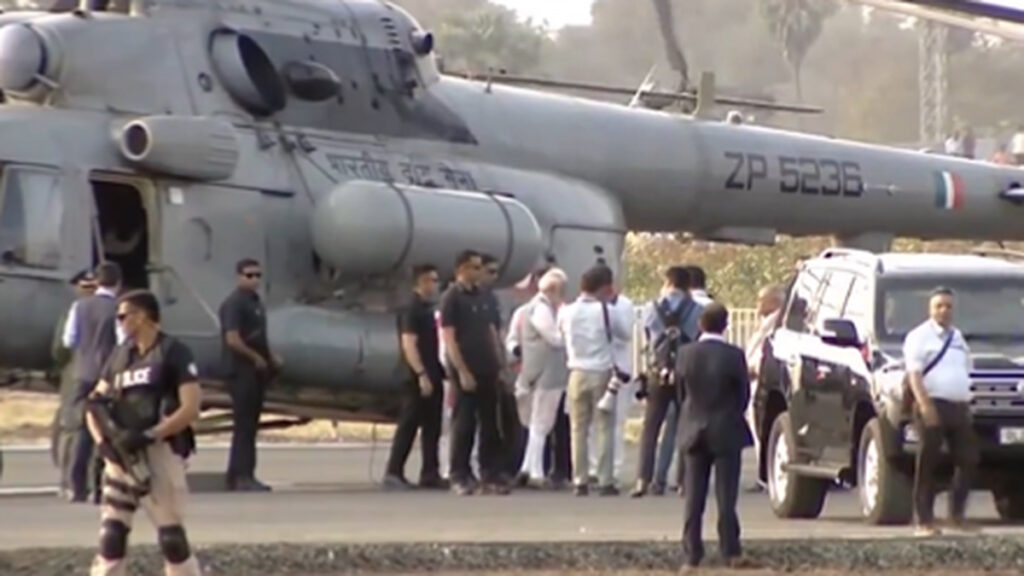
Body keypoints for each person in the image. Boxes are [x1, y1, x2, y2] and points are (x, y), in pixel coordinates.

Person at [85, 289, 202, 576]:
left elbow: (190, 408)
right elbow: (94, 403)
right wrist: (103, 443)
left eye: (124, 316)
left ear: (143, 317)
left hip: (158, 452)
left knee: (171, 538)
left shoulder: (173, 352)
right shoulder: (120, 355)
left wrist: (152, 434)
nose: (120, 322)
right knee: (111, 534)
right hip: (121, 453)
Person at [676, 303, 753, 571]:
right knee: (726, 496)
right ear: (726, 325)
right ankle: (730, 550)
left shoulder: (685, 354)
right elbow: (743, 394)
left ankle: (692, 554)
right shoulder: (734, 355)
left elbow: (680, 393)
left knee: (693, 497)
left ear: (700, 324)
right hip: (726, 428)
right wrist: (732, 413)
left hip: (693, 427)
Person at [903, 287, 977, 537]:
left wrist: (967, 401)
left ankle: (956, 516)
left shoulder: (957, 337)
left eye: (948, 306)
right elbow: (914, 375)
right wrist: (925, 406)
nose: (944, 311)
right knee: (928, 461)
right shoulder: (919, 336)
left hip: (958, 407)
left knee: (968, 458)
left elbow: (965, 369)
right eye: (939, 306)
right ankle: (923, 520)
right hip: (932, 404)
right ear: (930, 309)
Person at [557, 264, 630, 496]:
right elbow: (625, 334)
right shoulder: (607, 311)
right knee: (604, 427)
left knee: (578, 428)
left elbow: (560, 335)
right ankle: (605, 479)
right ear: (606, 287)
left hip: (576, 371)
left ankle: (580, 479)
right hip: (601, 371)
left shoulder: (566, 311)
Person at [441, 250, 508, 495]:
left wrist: (500, 363)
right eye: (475, 267)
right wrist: (462, 371)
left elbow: (492, 331)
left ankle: (489, 473)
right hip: (466, 368)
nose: (480, 272)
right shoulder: (452, 298)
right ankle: (459, 473)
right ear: (462, 269)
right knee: (465, 423)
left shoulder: (485, 296)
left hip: (487, 367)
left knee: (490, 424)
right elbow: (449, 338)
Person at [632, 266, 702, 498]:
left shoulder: (650, 308)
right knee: (685, 426)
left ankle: (644, 479)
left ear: (668, 283)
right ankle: (683, 481)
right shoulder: (697, 310)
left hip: (658, 372)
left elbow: (648, 338)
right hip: (686, 371)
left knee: (651, 427)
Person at [382, 264, 447, 490]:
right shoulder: (412, 309)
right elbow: (409, 344)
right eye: (432, 280)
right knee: (409, 424)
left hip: (433, 373)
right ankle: (394, 471)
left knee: (432, 426)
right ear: (421, 282)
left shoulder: (427, 309)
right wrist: (421, 374)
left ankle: (430, 472)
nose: (436, 285)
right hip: (416, 377)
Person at [219, 258, 281, 492]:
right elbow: (232, 339)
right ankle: (241, 476)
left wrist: (271, 359)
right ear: (239, 277)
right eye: (249, 275)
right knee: (244, 426)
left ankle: (241, 473)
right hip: (240, 371)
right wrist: (254, 357)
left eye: (257, 275)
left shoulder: (255, 302)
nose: (254, 280)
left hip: (255, 372)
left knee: (250, 425)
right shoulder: (234, 304)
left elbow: (260, 336)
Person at [64, 262, 124, 502]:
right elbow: (123, 342)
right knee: (105, 430)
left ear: (97, 282)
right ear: (118, 283)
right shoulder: (118, 308)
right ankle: (98, 487)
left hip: (82, 373)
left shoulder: (79, 306)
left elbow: (69, 340)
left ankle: (75, 486)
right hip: (106, 376)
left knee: (81, 429)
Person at [513, 268, 568, 488]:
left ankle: (528, 466)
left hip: (537, 371)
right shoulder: (541, 309)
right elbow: (554, 339)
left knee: (538, 423)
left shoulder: (532, 308)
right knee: (541, 423)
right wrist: (569, 334)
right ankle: (535, 471)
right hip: (546, 372)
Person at [52, 269, 98, 498]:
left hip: (75, 374)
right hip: (101, 374)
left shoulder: (74, 311)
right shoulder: (111, 309)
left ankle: (68, 482)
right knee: (96, 427)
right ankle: (90, 481)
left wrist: (64, 367)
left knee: (71, 428)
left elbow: (60, 349)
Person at [744, 284, 785, 492]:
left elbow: (767, 352)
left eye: (762, 299)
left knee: (763, 430)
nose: (757, 304)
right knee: (758, 430)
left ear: (775, 302)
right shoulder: (766, 322)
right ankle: (763, 475)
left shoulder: (778, 323)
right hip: (753, 381)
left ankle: (766, 476)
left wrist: (754, 368)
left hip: (762, 380)